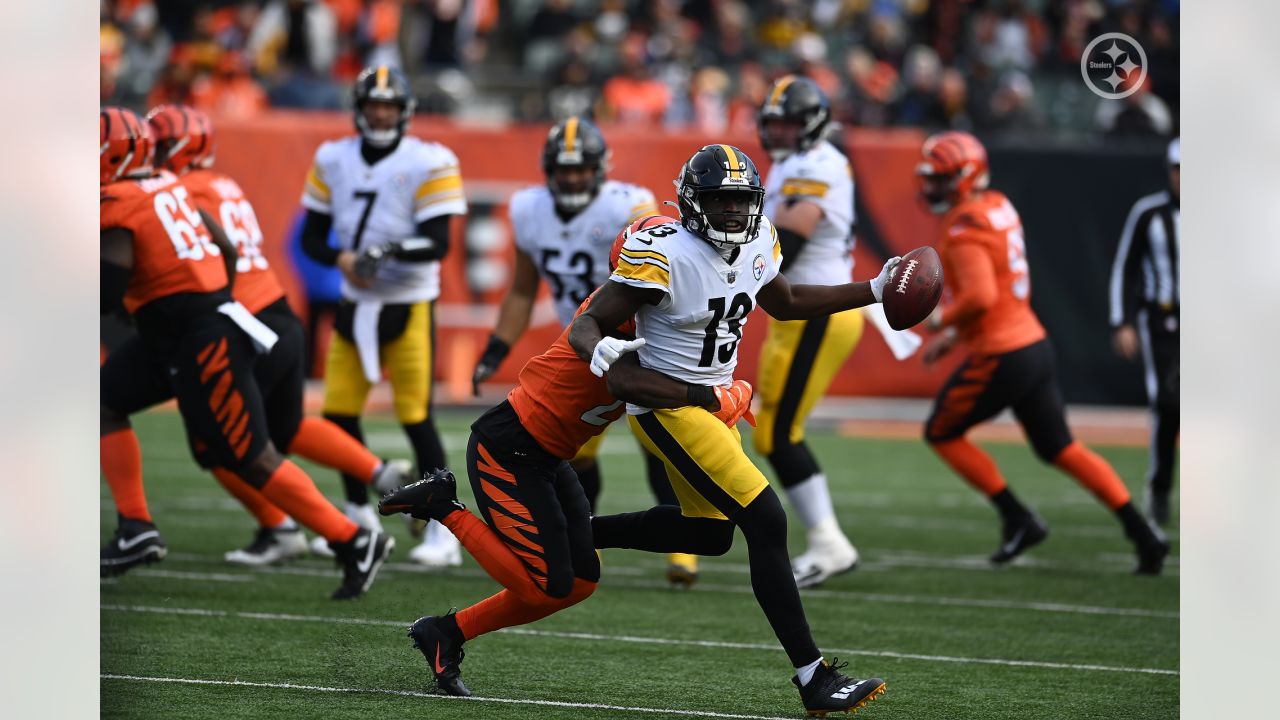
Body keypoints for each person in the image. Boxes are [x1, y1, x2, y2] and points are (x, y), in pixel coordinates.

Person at [568, 145, 895, 716]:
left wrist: (874, 289)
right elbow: (588, 320)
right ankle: (813, 677)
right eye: (721, 201)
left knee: (709, 535)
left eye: (742, 201)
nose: (733, 213)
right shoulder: (666, 254)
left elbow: (787, 302)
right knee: (766, 519)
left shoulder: (758, 240)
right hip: (668, 407)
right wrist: (604, 353)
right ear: (694, 202)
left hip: (715, 403)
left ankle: (574, 531)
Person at [379, 216, 756, 697]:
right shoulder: (618, 325)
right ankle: (441, 506)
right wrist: (720, 395)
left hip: (548, 457)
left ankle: (446, 633)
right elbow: (646, 383)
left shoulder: (653, 320)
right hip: (508, 450)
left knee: (578, 581)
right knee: (547, 584)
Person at [96, 103, 410, 566]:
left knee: (231, 445)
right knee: (277, 429)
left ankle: (318, 532)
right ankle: (377, 475)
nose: (154, 154)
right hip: (264, 313)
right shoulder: (210, 184)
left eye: (161, 145)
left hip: (223, 321)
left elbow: (135, 273)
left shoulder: (166, 190)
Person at [915, 130, 1169, 573]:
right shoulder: (998, 206)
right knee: (1060, 447)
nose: (932, 187)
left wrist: (938, 319)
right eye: (931, 178)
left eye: (941, 178)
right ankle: (1142, 532)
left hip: (1001, 354)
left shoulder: (964, 224)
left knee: (941, 431)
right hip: (1032, 343)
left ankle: (1017, 518)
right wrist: (953, 338)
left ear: (965, 176)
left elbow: (979, 297)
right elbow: (998, 292)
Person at [470, 117, 698, 584]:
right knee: (577, 454)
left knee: (657, 440)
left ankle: (683, 551)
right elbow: (521, 289)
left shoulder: (629, 204)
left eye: (581, 168)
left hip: (640, 339)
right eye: (563, 169)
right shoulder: (529, 209)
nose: (572, 178)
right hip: (581, 345)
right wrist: (497, 347)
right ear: (547, 170)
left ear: (600, 168)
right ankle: (584, 541)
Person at [755, 75, 920, 588]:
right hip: (798, 312)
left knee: (778, 434)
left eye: (788, 123)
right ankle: (828, 541)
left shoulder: (815, 164)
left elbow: (791, 242)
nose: (778, 132)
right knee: (773, 432)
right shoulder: (795, 162)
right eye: (773, 123)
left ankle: (829, 543)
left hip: (817, 311)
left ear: (813, 124)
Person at [298, 65, 466, 566]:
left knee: (415, 415)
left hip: (409, 301)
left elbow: (438, 242)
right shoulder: (332, 157)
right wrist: (343, 259)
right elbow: (312, 237)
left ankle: (445, 530)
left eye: (389, 106)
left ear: (405, 112)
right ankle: (358, 511)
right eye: (373, 104)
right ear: (358, 108)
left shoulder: (430, 161)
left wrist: (385, 251)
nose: (380, 113)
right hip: (357, 300)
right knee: (338, 412)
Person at [1109, 138, 1180, 525]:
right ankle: (1160, 486)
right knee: (1168, 404)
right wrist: (1122, 320)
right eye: (1179, 170)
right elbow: (1126, 267)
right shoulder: (1149, 213)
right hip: (1164, 320)